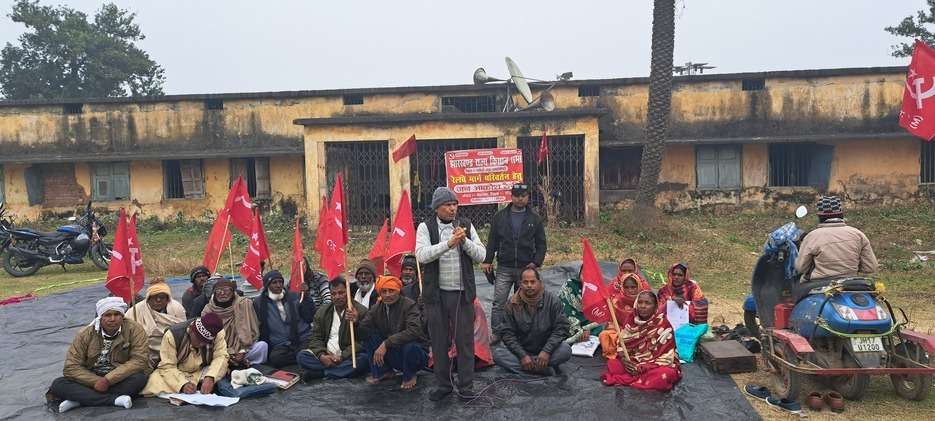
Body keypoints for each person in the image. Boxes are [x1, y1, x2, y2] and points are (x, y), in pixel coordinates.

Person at [415, 186, 486, 401]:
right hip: (436, 296)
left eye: (455, 204)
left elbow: (481, 255)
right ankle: (444, 385)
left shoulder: (466, 225)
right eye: (448, 205)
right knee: (439, 342)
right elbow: (421, 255)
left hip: (462, 295)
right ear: (437, 208)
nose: (453, 209)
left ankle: (466, 386)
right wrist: (448, 244)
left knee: (465, 342)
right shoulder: (425, 227)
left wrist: (464, 241)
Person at [47, 297, 148, 413]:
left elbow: (139, 360)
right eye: (107, 315)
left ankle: (80, 400)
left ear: (122, 316)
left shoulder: (135, 329)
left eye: (117, 314)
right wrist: (95, 381)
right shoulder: (85, 334)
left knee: (139, 378)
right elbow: (71, 367)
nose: (112, 319)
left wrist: (108, 380)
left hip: (119, 377)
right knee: (58, 384)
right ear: (100, 317)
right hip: (90, 377)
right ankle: (114, 400)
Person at [482, 183, 547, 338]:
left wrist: (536, 262)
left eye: (523, 196)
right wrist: (488, 260)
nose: (520, 199)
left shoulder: (535, 218)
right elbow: (492, 241)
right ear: (511, 197)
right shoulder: (500, 217)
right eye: (517, 196)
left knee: (524, 302)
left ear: (528, 197)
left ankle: (522, 333)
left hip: (526, 269)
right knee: (499, 302)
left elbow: (541, 244)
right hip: (504, 267)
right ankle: (497, 333)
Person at [493, 268, 571, 375]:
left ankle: (528, 369)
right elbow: (507, 334)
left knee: (565, 350)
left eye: (533, 282)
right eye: (525, 282)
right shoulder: (512, 304)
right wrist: (522, 356)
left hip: (546, 350)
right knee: (498, 354)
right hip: (522, 351)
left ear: (539, 282)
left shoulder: (552, 301)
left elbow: (561, 328)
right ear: (520, 284)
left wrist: (546, 351)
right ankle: (541, 369)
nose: (529, 285)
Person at [601, 291, 681, 392]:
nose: (643, 306)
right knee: (613, 364)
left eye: (648, 303)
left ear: (655, 306)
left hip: (655, 364)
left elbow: (666, 358)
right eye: (640, 302)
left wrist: (642, 367)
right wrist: (625, 360)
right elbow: (622, 345)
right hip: (634, 360)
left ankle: (639, 378)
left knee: (665, 375)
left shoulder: (663, 324)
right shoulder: (631, 320)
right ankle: (640, 379)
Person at [360, 275, 429, 390]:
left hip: (414, 354)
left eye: (391, 291)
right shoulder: (377, 307)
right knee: (370, 336)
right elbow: (364, 328)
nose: (387, 295)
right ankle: (383, 372)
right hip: (394, 352)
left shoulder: (409, 305)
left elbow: (414, 331)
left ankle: (410, 375)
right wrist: (355, 320)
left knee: (410, 347)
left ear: (398, 291)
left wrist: (386, 343)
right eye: (384, 291)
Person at [296, 276, 370, 379]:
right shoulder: (322, 312)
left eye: (341, 293)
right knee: (302, 356)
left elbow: (362, 341)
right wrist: (322, 356)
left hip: (347, 356)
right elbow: (315, 337)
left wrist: (356, 322)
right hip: (327, 353)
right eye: (333, 294)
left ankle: (320, 374)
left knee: (362, 361)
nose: (337, 297)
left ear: (348, 292)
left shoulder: (360, 311)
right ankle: (338, 371)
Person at [142, 313, 228, 396]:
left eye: (204, 342)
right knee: (154, 381)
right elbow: (167, 366)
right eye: (198, 339)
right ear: (190, 330)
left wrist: (210, 377)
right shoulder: (172, 335)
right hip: (177, 371)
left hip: (201, 371)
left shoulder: (217, 334)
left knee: (219, 371)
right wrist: (182, 384)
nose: (201, 344)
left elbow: (221, 357)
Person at [795, 196, 878, 281]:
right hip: (850, 282)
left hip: (818, 283)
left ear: (820, 216)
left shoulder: (812, 236)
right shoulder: (858, 234)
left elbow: (801, 268)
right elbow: (870, 267)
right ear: (841, 214)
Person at [253, 270, 316, 368]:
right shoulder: (259, 303)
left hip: (302, 338)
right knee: (276, 358)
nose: (278, 285)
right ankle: (302, 357)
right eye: (274, 283)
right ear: (267, 285)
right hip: (281, 344)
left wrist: (306, 296)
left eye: (280, 282)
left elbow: (309, 316)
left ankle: (303, 357)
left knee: (311, 349)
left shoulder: (294, 296)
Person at [202, 278, 266, 368]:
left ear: (232, 292)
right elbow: (207, 338)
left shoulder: (244, 303)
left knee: (262, 346)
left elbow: (252, 331)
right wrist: (227, 353)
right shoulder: (208, 310)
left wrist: (242, 351)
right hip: (220, 351)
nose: (222, 293)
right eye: (218, 290)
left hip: (243, 348)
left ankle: (241, 362)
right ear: (214, 293)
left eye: (226, 290)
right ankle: (233, 363)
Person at [126, 278, 186, 369]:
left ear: (168, 298)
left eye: (162, 297)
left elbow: (183, 332)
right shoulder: (135, 310)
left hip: (173, 352)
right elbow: (128, 332)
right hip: (145, 354)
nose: (158, 300)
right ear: (148, 298)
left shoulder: (176, 308)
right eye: (154, 297)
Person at [598, 273, 651, 359]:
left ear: (639, 286)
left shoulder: (645, 300)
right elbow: (611, 322)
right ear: (622, 287)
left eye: (633, 287)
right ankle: (624, 350)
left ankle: (630, 350)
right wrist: (621, 332)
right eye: (626, 287)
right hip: (620, 331)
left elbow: (651, 321)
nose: (630, 290)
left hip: (640, 331)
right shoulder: (616, 301)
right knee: (604, 335)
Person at [558, 265, 603, 343]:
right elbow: (566, 312)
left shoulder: (595, 288)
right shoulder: (569, 286)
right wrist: (579, 331)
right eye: (584, 273)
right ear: (579, 274)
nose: (587, 276)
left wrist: (587, 328)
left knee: (601, 332)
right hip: (570, 325)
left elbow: (598, 314)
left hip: (588, 325)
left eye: (590, 274)